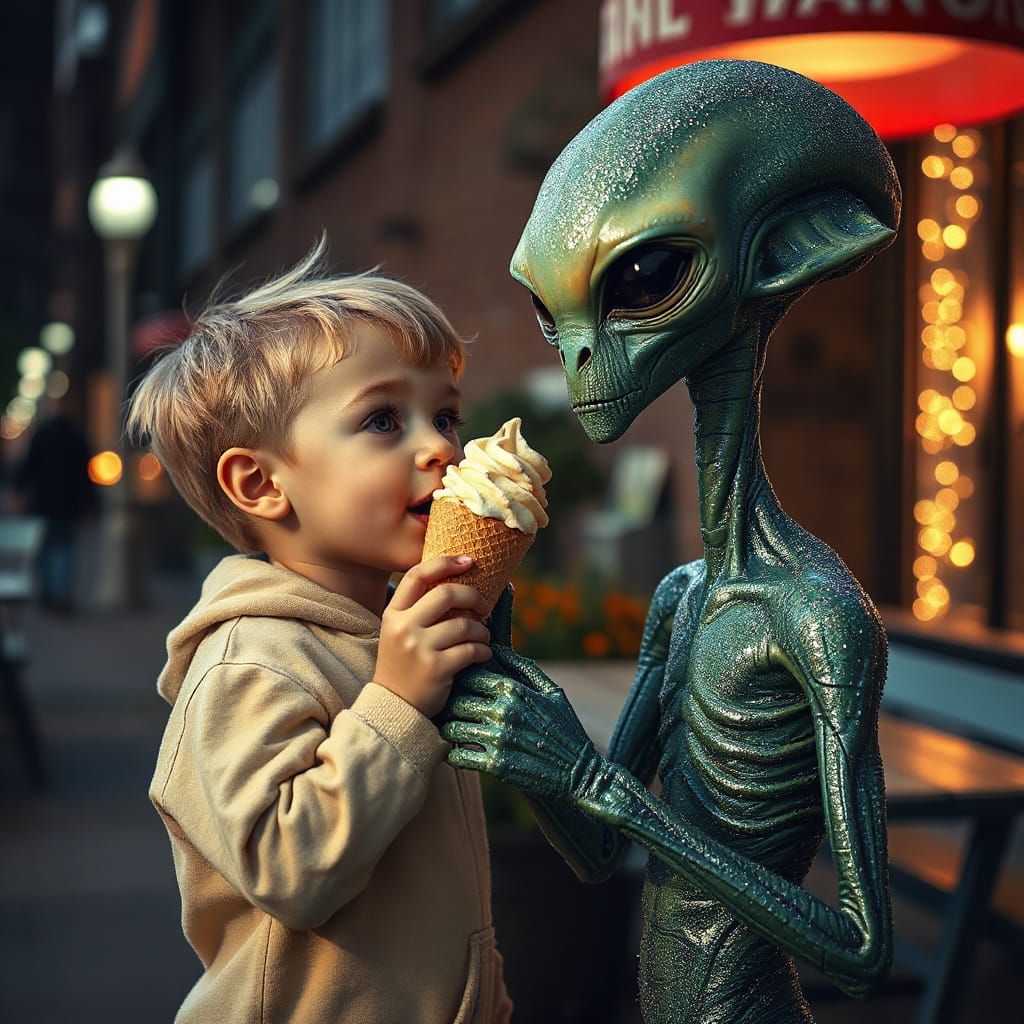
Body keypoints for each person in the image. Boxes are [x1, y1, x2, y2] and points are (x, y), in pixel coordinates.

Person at [126, 240, 513, 1024]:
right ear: (262, 483)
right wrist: (397, 705)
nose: (440, 446)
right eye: (382, 420)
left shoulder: (394, 627)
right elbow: (290, 869)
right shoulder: (250, 662)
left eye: (444, 414)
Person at [10, 393, 95, 615]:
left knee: (45, 551)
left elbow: (29, 466)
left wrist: (18, 490)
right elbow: (85, 475)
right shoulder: (77, 435)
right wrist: (89, 505)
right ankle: (60, 595)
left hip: (43, 503)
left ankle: (48, 595)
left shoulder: (43, 433)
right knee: (65, 550)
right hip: (69, 504)